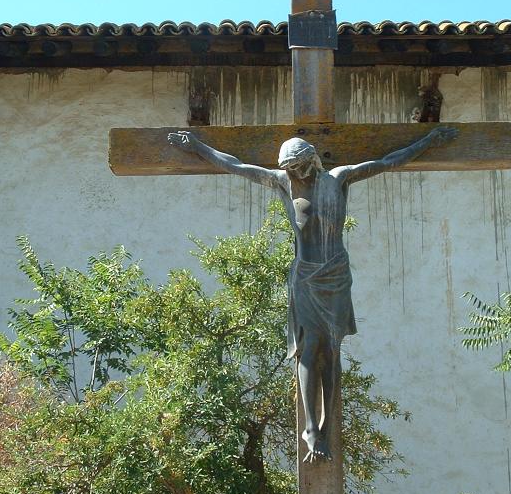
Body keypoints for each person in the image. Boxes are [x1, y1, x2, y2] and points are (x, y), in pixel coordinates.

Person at [167, 126, 458, 463]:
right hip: (306, 276)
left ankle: (327, 424)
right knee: (311, 345)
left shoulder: (340, 178)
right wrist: (198, 147)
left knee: (332, 350)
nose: (296, 173)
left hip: (335, 274)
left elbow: (389, 161)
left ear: (312, 159)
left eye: (299, 166)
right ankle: (310, 427)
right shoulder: (283, 183)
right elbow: (235, 165)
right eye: (290, 168)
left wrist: (430, 141)